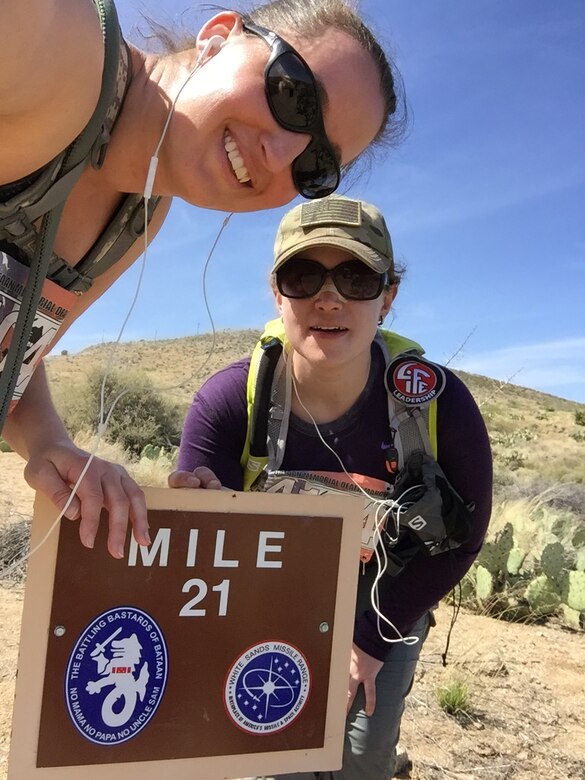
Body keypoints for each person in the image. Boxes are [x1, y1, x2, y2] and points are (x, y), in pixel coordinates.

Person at [0, 0, 405, 559]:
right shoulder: (62, 50)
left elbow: (16, 351)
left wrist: (48, 441)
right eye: (294, 96)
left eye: (316, 166)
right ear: (219, 35)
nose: (281, 152)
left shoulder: (137, 216)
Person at [170, 195, 493, 779]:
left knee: (361, 759)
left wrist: (370, 640)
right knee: (278, 756)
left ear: (387, 296)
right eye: (304, 275)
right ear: (278, 293)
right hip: (266, 601)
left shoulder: (439, 403)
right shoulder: (228, 400)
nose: (329, 297)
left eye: (355, 277)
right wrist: (193, 506)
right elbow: (195, 541)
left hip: (388, 598)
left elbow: (464, 539)